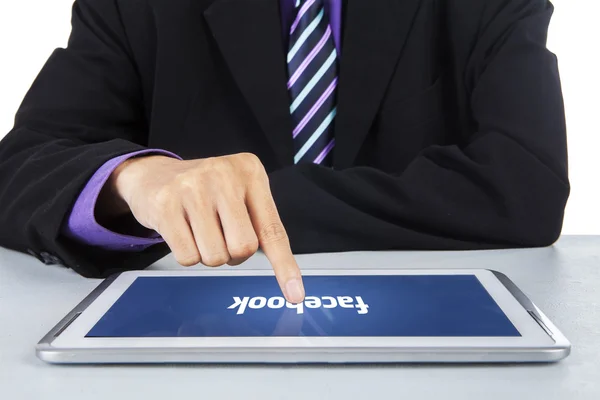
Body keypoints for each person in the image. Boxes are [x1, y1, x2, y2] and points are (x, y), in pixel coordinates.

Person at [0, 0, 569, 304]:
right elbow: (19, 166)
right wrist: (133, 180)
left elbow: (526, 184)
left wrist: (257, 203)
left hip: (434, 337)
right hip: (188, 342)